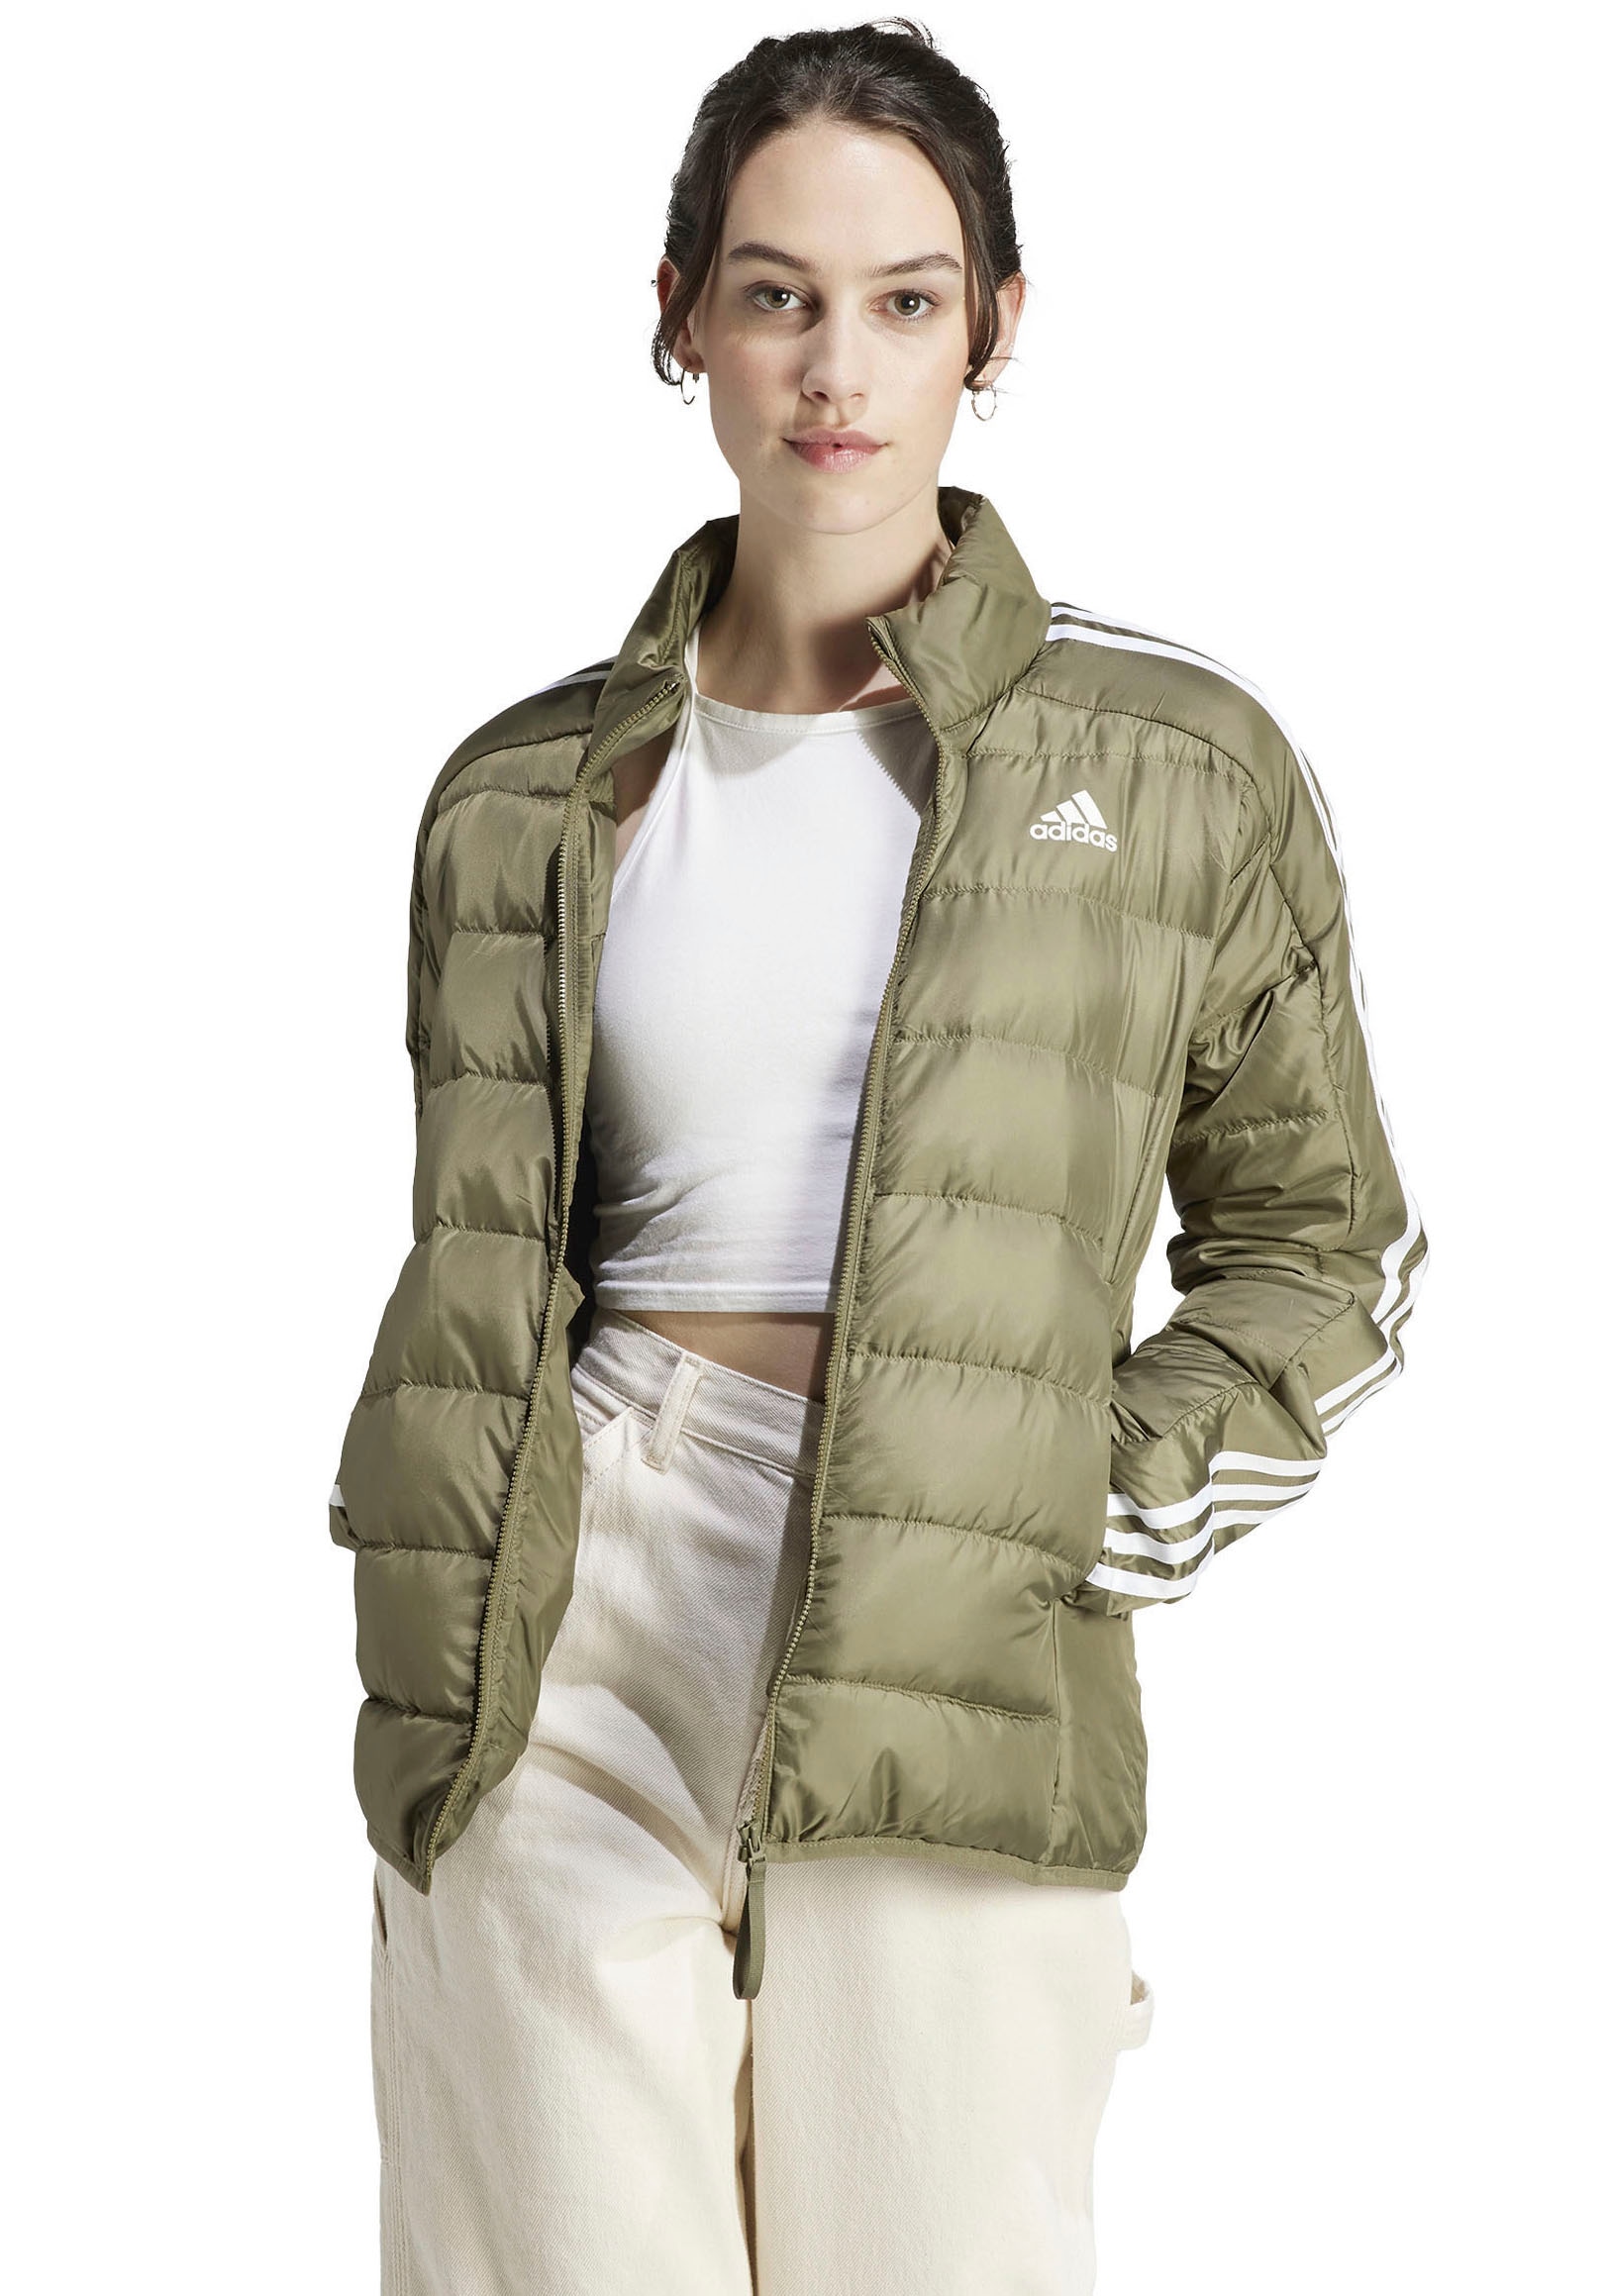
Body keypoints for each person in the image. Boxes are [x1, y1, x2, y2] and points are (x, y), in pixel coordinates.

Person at [327, 20, 1429, 2294]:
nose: (836, 367)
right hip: (563, 1591)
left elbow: (1326, 1242)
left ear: (990, 327)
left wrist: (1088, 1492)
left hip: (954, 1619)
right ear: (679, 315)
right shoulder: (513, 795)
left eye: (902, 300)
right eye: (775, 294)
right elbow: (491, 1255)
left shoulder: (1176, 759)